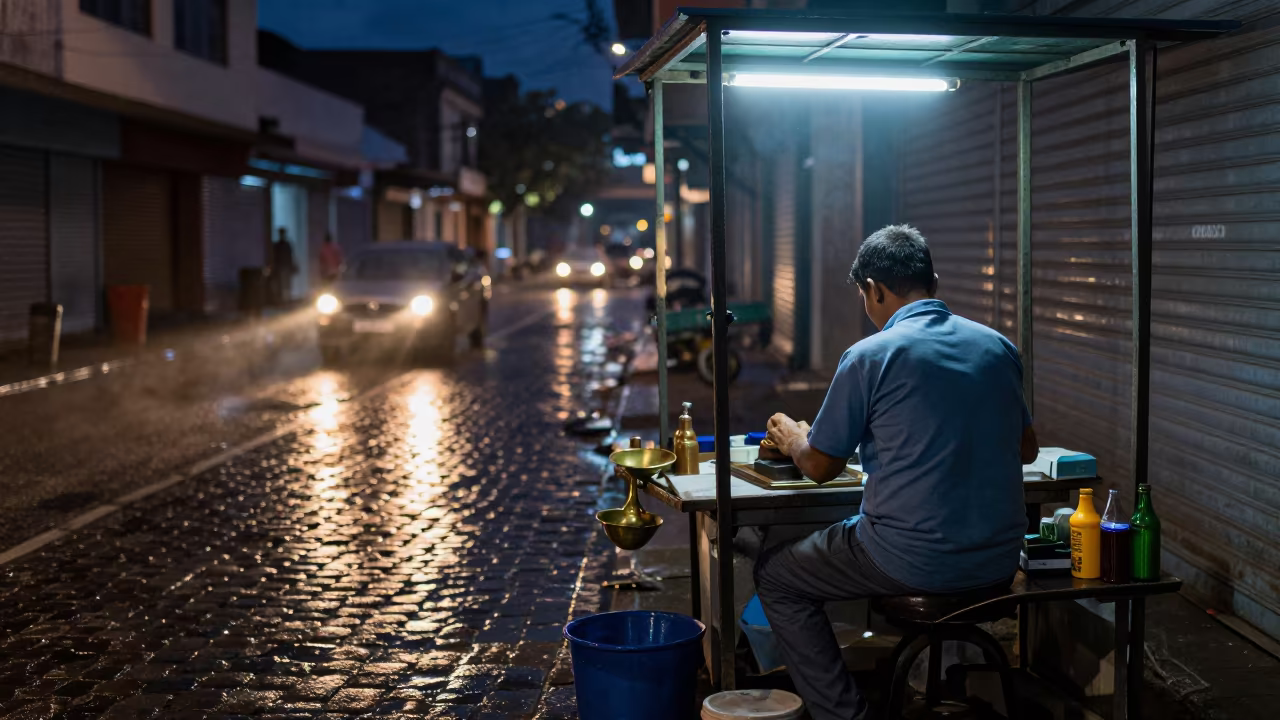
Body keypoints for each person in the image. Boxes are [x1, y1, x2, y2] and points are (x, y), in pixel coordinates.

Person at [758, 225, 1038, 720]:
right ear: (934, 280)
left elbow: (821, 466)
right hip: (999, 561)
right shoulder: (998, 347)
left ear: (874, 289)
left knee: (777, 575)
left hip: (910, 559)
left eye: (865, 295)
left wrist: (793, 438)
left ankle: (845, 715)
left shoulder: (869, 356)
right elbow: (1027, 450)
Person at [271, 228, 297, 304]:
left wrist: (292, 266)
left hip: (286, 267)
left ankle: (286, 300)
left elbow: (291, 256)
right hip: (280, 268)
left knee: (287, 285)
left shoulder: (287, 245)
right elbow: (275, 257)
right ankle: (281, 301)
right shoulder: (277, 245)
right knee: (280, 285)